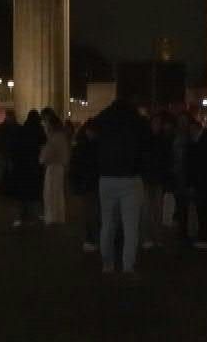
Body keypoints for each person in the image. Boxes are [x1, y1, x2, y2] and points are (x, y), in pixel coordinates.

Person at [93, 95, 149, 274]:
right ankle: (128, 265)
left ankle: (107, 264)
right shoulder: (137, 121)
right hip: (130, 178)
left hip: (106, 177)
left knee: (107, 224)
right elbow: (145, 147)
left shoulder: (103, 118)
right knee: (130, 226)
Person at [177, 113, 207, 249]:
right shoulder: (196, 140)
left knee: (206, 209)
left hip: (206, 181)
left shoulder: (206, 140)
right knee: (202, 209)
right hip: (200, 181)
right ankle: (204, 236)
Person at [6, 110, 46, 227]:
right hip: (34, 167)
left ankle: (20, 217)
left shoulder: (21, 130)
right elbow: (43, 146)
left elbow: (13, 148)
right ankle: (35, 216)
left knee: (21, 193)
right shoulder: (39, 131)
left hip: (21, 167)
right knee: (34, 193)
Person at [141, 112, 174, 248]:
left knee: (157, 208)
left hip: (157, 177)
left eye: (158, 124)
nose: (156, 126)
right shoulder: (151, 139)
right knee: (148, 208)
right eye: (154, 123)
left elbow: (167, 160)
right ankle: (149, 236)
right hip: (148, 178)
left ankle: (156, 235)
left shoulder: (162, 140)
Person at [71, 120, 102, 251]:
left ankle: (92, 238)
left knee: (91, 213)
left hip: (88, 184)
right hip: (94, 183)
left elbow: (75, 167)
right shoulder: (100, 146)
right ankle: (95, 238)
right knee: (94, 213)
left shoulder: (81, 146)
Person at [40, 108, 70, 224]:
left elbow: (47, 153)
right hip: (59, 166)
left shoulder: (54, 137)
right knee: (57, 193)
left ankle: (53, 216)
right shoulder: (61, 136)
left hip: (53, 166)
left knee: (51, 192)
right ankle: (57, 215)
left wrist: (42, 156)